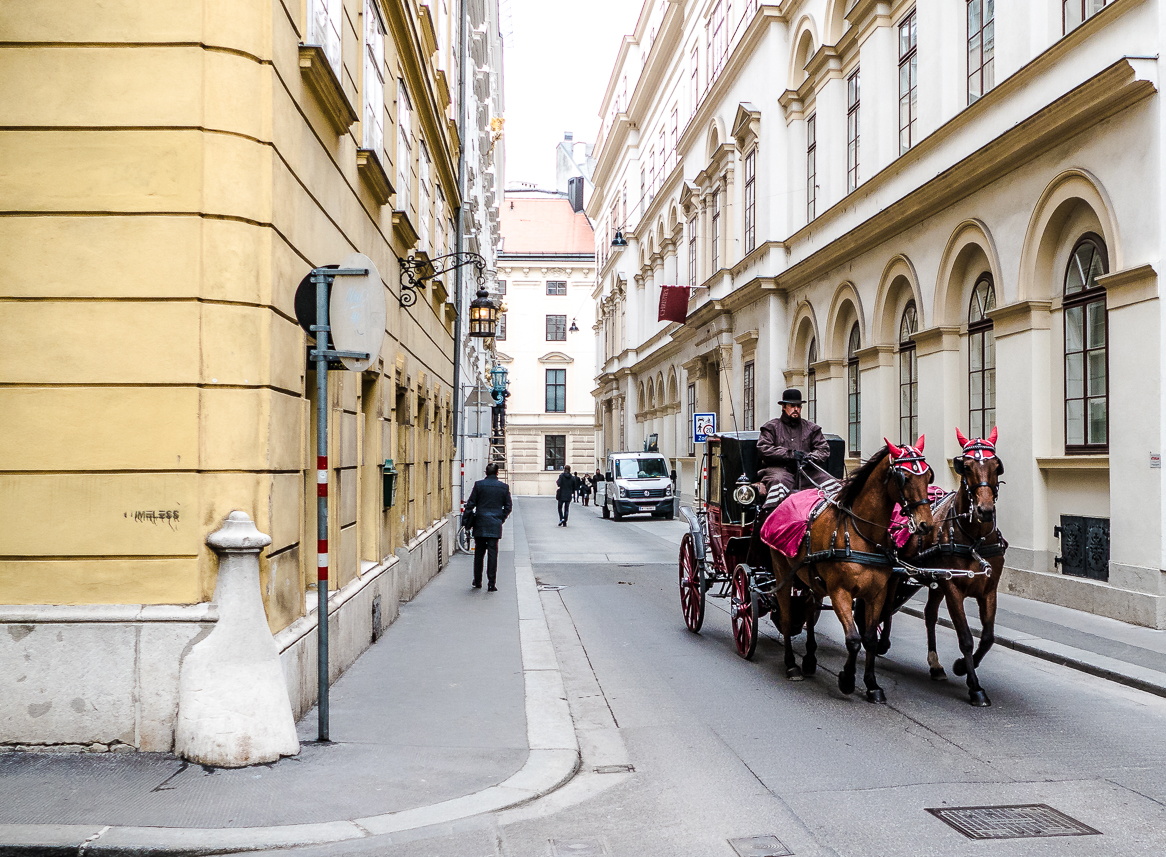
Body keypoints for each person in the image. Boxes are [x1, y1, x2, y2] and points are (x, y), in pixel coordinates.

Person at [756, 388, 831, 500]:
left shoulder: (811, 428)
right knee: (779, 482)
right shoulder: (771, 427)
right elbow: (764, 449)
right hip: (778, 470)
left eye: (798, 406)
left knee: (829, 482)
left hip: (806, 471)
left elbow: (823, 449)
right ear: (784, 406)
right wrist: (790, 455)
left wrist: (810, 458)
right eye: (792, 406)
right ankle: (777, 514)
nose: (796, 409)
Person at [463, 462, 512, 591]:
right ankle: (491, 583)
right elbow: (508, 506)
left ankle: (477, 581)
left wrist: (465, 520)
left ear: (486, 472)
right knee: (492, 554)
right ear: (497, 473)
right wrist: (500, 518)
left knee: (479, 554)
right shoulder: (503, 487)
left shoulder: (479, 485)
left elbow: (470, 504)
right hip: (494, 524)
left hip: (480, 522)